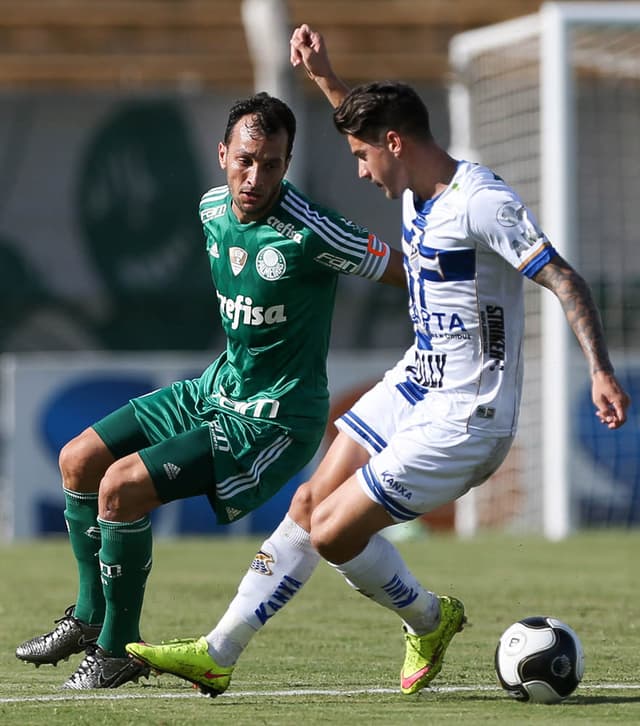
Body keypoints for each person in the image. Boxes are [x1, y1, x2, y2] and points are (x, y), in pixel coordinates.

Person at [126, 25, 631, 697]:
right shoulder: (413, 181)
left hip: (468, 415)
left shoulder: (481, 202)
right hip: (417, 380)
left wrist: (598, 369)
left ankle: (428, 616)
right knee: (309, 499)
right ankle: (219, 652)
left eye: (364, 155)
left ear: (396, 144)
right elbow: (372, 126)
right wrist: (326, 78)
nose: (359, 170)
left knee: (332, 532)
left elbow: (564, 278)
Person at [15, 91, 406, 690]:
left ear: (286, 164)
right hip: (214, 389)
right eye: (246, 159)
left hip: (272, 420)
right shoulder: (209, 209)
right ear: (222, 153)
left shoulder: (313, 231)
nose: (256, 176)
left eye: (272, 164)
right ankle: (89, 619)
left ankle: (117, 651)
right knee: (80, 461)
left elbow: (407, 270)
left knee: (121, 488)